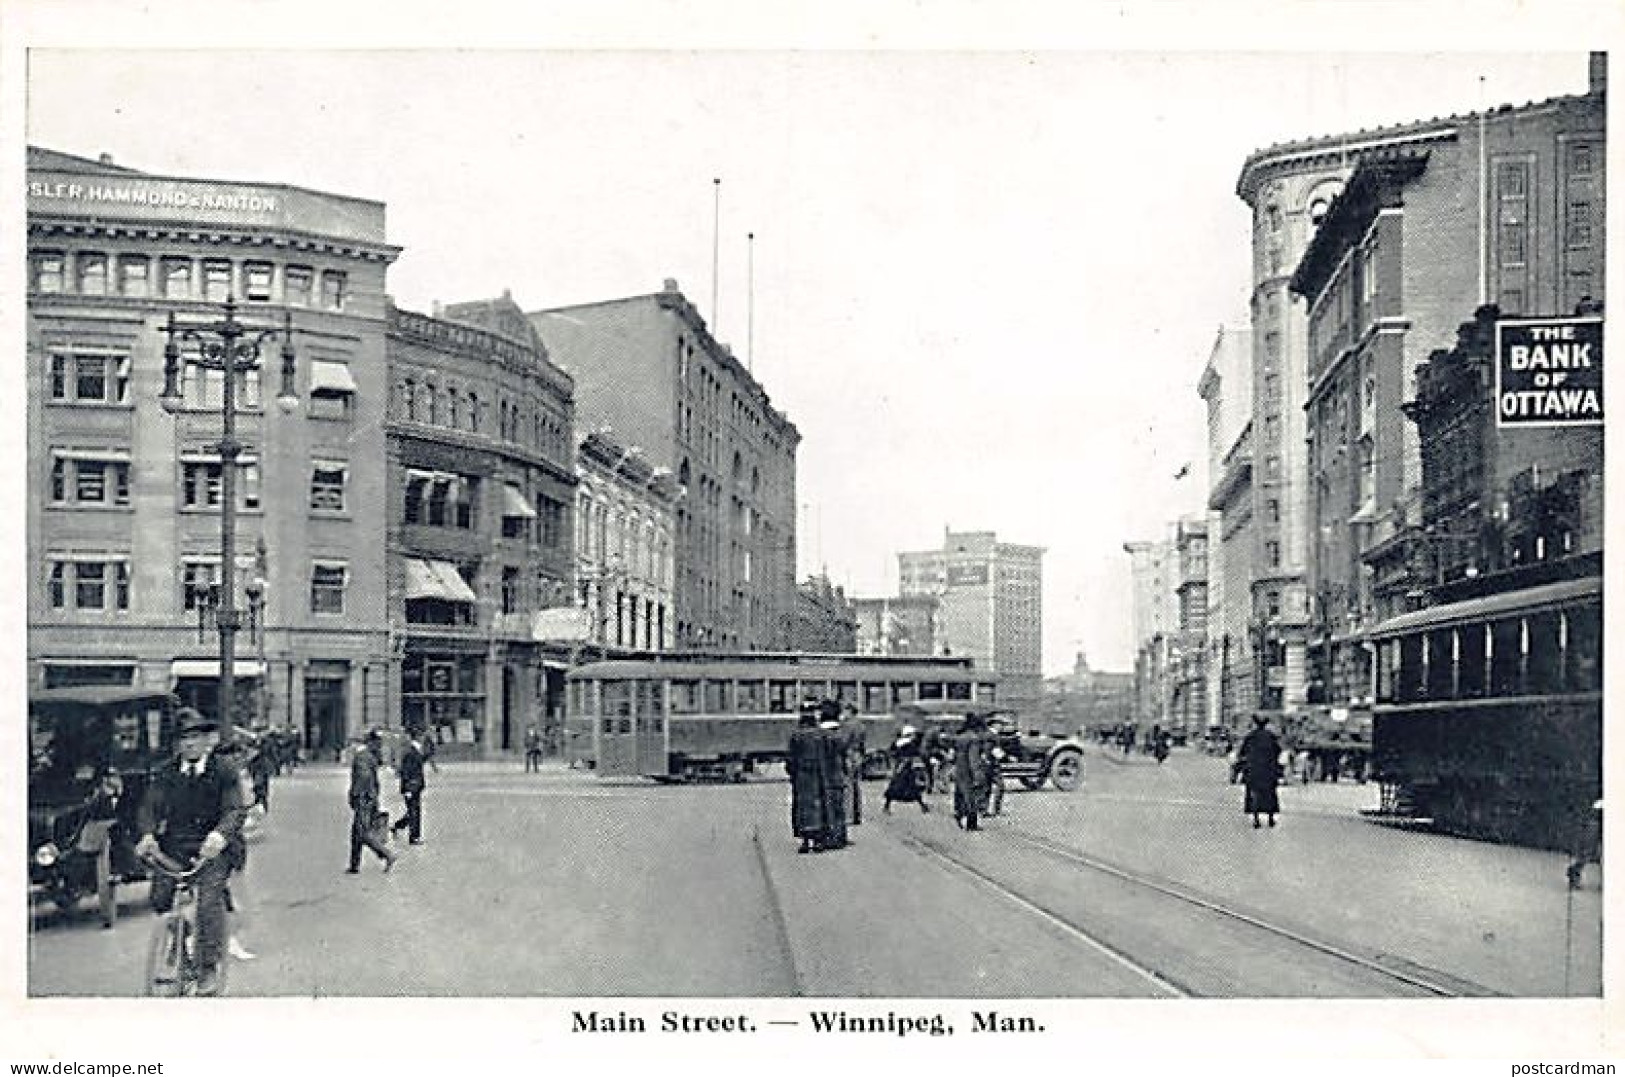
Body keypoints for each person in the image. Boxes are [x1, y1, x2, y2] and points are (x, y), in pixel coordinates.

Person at [134, 709, 246, 996]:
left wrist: (219, 836)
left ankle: (207, 967)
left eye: (195, 737)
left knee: (208, 902)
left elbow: (235, 809)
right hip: (176, 847)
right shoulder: (167, 772)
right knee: (160, 899)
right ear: (177, 743)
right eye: (184, 738)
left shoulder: (224, 770)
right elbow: (149, 806)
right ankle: (180, 941)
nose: (190, 744)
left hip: (215, 849)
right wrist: (147, 835)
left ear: (207, 740)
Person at [346, 730, 397, 874]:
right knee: (356, 833)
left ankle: (387, 854)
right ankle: (354, 865)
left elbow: (364, 778)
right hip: (370, 798)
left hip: (364, 799)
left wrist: (355, 795)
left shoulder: (362, 757)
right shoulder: (370, 756)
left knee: (362, 832)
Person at [787, 703, 834, 853]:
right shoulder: (822, 734)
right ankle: (819, 840)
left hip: (802, 775)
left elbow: (791, 757)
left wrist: (792, 773)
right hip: (819, 774)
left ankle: (806, 841)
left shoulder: (796, 735)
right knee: (820, 804)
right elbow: (830, 754)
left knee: (802, 807)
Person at [1238, 714, 1282, 829]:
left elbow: (1242, 752)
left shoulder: (1250, 737)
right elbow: (1278, 750)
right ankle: (1271, 818)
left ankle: (1256, 819)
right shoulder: (1271, 736)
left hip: (1254, 770)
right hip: (1268, 770)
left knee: (1254, 794)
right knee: (1270, 794)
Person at [816, 700, 851, 849]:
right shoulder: (840, 734)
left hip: (823, 776)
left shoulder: (818, 735)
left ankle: (829, 836)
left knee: (826, 807)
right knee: (839, 807)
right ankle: (840, 836)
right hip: (838, 775)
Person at [952, 712, 995, 831]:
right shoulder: (974, 739)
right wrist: (978, 775)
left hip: (959, 768)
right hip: (968, 771)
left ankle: (958, 813)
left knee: (960, 793)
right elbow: (973, 759)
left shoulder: (960, 737)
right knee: (971, 796)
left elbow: (953, 755)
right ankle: (971, 824)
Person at [883, 725, 930, 814]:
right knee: (909, 786)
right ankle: (923, 806)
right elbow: (917, 753)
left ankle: (887, 806)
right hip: (905, 767)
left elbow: (891, 753)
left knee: (897, 786)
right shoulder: (909, 744)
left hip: (901, 766)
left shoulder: (898, 743)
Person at [392, 734, 427, 845]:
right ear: (418, 738)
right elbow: (406, 772)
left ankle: (398, 826)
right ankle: (414, 837)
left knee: (413, 812)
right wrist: (407, 789)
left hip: (415, 786)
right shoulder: (410, 752)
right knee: (414, 812)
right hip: (411, 787)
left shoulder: (416, 751)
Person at [840, 702, 865, 828]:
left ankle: (848, 816)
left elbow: (844, 742)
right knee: (856, 786)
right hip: (858, 755)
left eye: (845, 711)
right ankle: (857, 814)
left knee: (848, 786)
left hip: (849, 755)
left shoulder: (847, 725)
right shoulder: (860, 725)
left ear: (849, 711)